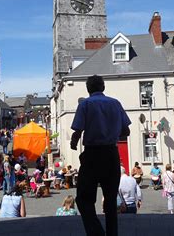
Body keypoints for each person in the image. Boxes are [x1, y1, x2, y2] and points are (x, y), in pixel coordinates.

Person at [70, 75, 131, 236]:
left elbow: (77, 130)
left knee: (84, 198)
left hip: (92, 155)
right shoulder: (115, 103)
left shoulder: (85, 104)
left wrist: (73, 143)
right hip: (111, 153)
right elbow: (127, 131)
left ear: (88, 89)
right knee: (110, 201)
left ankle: (96, 232)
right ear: (103, 87)